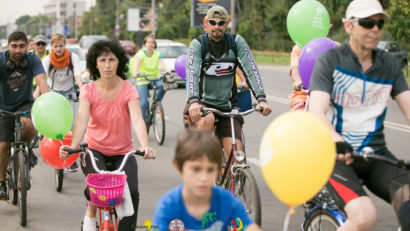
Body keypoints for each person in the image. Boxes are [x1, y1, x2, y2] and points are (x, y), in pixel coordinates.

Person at [308, 1, 410, 230]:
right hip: (335, 157)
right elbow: (316, 111)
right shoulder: (331, 60)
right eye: (367, 23)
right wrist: (336, 140)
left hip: (376, 156)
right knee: (364, 217)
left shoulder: (389, 65)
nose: (375, 29)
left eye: (379, 23)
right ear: (348, 26)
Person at [59, 40, 156, 231]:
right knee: (97, 187)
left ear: (119, 62)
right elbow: (81, 121)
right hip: (94, 151)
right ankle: (90, 214)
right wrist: (73, 147)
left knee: (133, 193)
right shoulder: (88, 90)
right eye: (102, 60)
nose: (107, 65)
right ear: (95, 64)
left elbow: (137, 120)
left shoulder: (128, 89)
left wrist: (145, 146)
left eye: (111, 60)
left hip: (123, 153)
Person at [186, 5, 271, 161]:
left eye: (221, 23)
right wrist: (193, 101)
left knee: (237, 154)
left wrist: (261, 99)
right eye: (213, 22)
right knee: (208, 120)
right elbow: (192, 73)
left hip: (229, 106)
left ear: (226, 24)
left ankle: (235, 180)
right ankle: (201, 170)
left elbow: (251, 70)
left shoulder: (236, 42)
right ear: (206, 23)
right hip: (202, 104)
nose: (216, 27)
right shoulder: (198, 45)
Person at [153, 129, 261, 231]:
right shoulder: (169, 206)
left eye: (210, 170)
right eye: (196, 169)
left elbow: (249, 227)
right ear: (178, 166)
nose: (204, 178)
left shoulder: (227, 202)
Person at [0, 31, 50, 199]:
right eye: (14, 46)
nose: (18, 50)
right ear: (8, 47)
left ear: (27, 46)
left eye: (22, 46)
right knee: (3, 147)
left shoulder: (32, 59)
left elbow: (42, 81)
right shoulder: (1, 60)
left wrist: (48, 102)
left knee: (28, 125)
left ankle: (26, 153)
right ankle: (1, 184)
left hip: (25, 103)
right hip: (3, 106)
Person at [43, 33, 83, 171]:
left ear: (65, 45)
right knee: (54, 125)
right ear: (52, 47)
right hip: (54, 92)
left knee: (71, 125)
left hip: (69, 91)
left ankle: (71, 159)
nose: (58, 49)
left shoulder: (73, 58)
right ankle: (53, 151)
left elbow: (78, 75)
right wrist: (36, 96)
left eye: (61, 46)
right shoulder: (47, 59)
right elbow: (43, 79)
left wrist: (83, 91)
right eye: (56, 46)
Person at [130, 34, 171, 121]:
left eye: (152, 42)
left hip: (153, 79)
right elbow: (137, 63)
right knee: (143, 103)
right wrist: (135, 71)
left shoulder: (157, 54)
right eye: (149, 42)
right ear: (145, 44)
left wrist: (167, 69)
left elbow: (161, 63)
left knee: (164, 84)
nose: (151, 44)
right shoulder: (140, 54)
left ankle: (157, 102)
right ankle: (143, 123)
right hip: (141, 79)